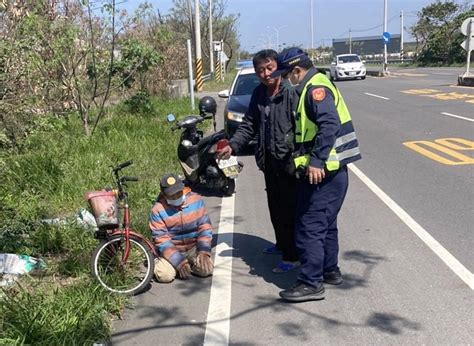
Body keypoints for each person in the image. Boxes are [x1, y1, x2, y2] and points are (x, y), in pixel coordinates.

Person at [270, 47, 362, 302]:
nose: (287, 79)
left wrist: (317, 161)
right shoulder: (316, 84)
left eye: (288, 74)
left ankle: (311, 283)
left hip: (324, 172)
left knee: (309, 227)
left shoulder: (314, 89)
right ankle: (329, 270)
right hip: (333, 172)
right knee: (326, 224)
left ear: (296, 71)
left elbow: (329, 123)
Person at [218, 49, 299, 273]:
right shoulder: (259, 94)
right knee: (275, 207)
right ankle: (282, 244)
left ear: (278, 68)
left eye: (269, 68)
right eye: (260, 70)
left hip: (289, 163)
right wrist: (233, 146)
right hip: (269, 162)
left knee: (289, 211)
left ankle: (293, 257)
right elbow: (249, 125)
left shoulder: (291, 92)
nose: (265, 74)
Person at [149, 173, 214, 282]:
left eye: (178, 193)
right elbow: (162, 240)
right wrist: (178, 261)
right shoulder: (157, 210)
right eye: (171, 195)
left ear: (183, 188)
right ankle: (176, 265)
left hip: (193, 248)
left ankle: (187, 265)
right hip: (171, 250)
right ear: (164, 195)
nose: (176, 197)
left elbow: (205, 227)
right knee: (165, 276)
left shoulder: (196, 200)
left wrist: (203, 251)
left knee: (206, 270)